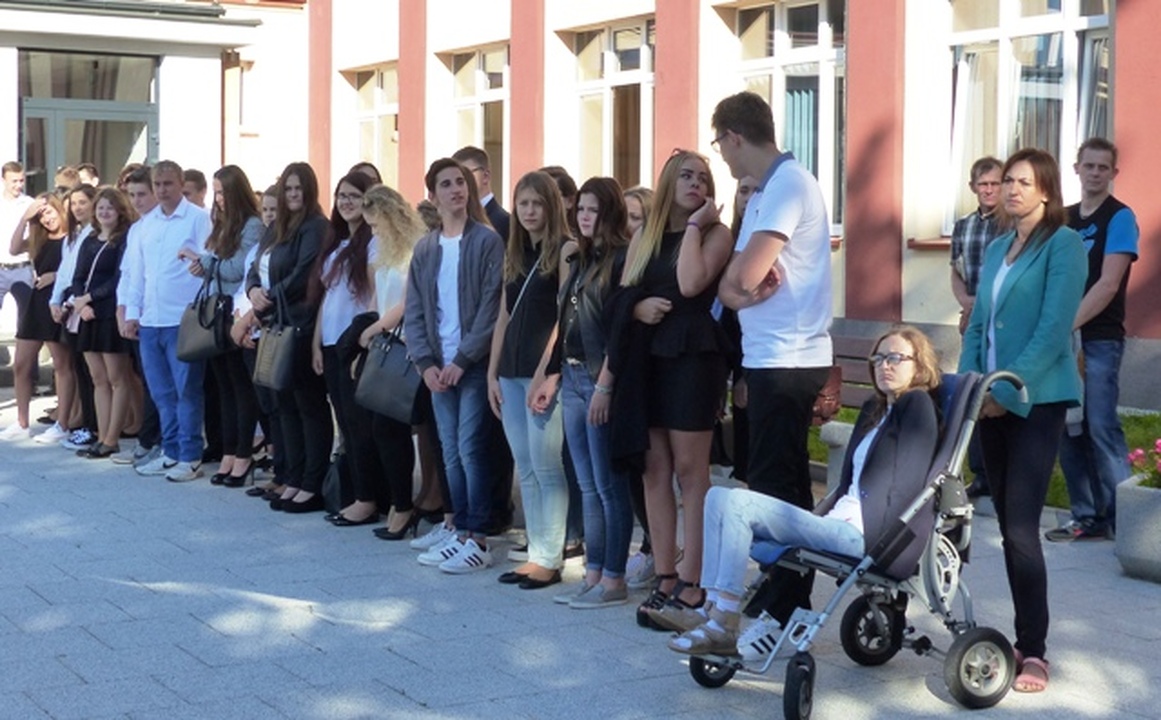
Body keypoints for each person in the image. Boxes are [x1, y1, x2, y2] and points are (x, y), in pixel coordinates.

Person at [665, 326, 940, 656]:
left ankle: (724, 618)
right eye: (879, 358)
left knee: (738, 503)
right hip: (835, 524)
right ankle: (711, 606)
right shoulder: (876, 410)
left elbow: (907, 485)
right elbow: (849, 483)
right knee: (716, 497)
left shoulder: (917, 405)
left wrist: (878, 537)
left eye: (896, 358)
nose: (885, 365)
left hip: (864, 535)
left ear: (919, 365)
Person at [958, 148, 1087, 693]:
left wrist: (1005, 392)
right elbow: (977, 325)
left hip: (1036, 400)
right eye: (1007, 180)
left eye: (1024, 182)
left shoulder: (1064, 244)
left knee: (1020, 527)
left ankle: (1034, 650)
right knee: (1006, 527)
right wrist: (969, 387)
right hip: (988, 398)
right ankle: (1021, 636)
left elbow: (1054, 330)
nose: (1011, 189)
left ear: (1047, 191)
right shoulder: (997, 249)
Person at [713, 91, 834, 624]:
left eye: (719, 143)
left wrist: (738, 289)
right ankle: (784, 585)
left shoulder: (788, 184)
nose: (721, 154)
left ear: (734, 136)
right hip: (768, 357)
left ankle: (789, 601)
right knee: (771, 481)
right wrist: (737, 290)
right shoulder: (765, 190)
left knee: (776, 485)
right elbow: (731, 287)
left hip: (789, 358)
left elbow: (742, 277)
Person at [621, 151, 734, 627]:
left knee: (691, 472)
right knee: (654, 469)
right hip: (649, 357)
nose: (695, 184)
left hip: (694, 356)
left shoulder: (715, 234)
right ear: (669, 181)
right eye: (686, 175)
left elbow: (690, 284)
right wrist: (636, 309)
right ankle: (665, 574)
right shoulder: (645, 235)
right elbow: (622, 293)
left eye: (703, 178)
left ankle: (694, 580)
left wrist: (693, 226)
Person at [405, 158, 504, 573]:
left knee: (470, 447)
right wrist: (426, 363)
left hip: (472, 364)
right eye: (445, 184)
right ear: (432, 196)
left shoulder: (486, 241)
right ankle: (459, 528)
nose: (456, 189)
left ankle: (477, 536)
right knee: (449, 450)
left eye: (460, 181)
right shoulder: (426, 248)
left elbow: (490, 308)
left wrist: (463, 359)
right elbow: (414, 310)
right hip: (438, 366)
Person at [1046, 138, 1139, 543]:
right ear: (1077, 169)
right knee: (1069, 428)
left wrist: (1065, 326)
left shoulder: (1120, 217)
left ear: (1113, 173)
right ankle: (1086, 516)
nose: (1096, 173)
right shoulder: (1063, 219)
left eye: (1104, 167)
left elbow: (1108, 285)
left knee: (1101, 426)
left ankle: (1126, 522)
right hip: (1063, 340)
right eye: (1089, 166)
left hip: (1099, 339)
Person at [550, 176, 633, 609]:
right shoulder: (580, 258)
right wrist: (552, 373)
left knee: (608, 486)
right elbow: (565, 320)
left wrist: (605, 385)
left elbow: (620, 331)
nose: (584, 217)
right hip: (572, 376)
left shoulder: (620, 259)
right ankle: (594, 573)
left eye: (592, 210)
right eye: (580, 209)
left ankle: (614, 578)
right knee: (586, 485)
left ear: (609, 213)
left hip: (600, 380)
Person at [488, 171, 573, 590]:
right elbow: (503, 317)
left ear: (552, 206)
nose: (529, 211)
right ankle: (536, 551)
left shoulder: (566, 250)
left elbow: (564, 316)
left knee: (546, 465)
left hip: (543, 375)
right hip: (510, 371)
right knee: (526, 467)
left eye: (537, 203)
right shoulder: (515, 253)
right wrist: (492, 372)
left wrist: (546, 371)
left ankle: (549, 558)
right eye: (523, 203)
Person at [245, 162, 334, 512]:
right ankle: (292, 477)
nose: (293, 194)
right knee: (284, 406)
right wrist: (253, 290)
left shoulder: (316, 227)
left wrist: (267, 298)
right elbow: (255, 267)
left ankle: (312, 483)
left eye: (299, 188)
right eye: (288, 189)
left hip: (300, 326)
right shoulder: (276, 226)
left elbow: (303, 275)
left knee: (308, 406)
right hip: (275, 323)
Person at [121, 160, 213, 482]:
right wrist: (132, 313)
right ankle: (170, 450)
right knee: (161, 392)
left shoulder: (198, 219)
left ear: (180, 183)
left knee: (187, 390)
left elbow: (211, 261)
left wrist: (198, 262)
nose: (162, 190)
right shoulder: (146, 226)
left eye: (168, 184)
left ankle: (190, 455)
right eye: (157, 185)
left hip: (183, 319)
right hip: (151, 319)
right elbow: (137, 273)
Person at [181, 165, 264, 487]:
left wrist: (205, 262)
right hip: (215, 314)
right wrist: (203, 266)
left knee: (241, 389)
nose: (219, 199)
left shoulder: (252, 225)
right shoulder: (222, 223)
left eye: (223, 192)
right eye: (216, 192)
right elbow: (218, 267)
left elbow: (236, 269)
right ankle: (229, 452)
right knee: (224, 388)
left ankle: (243, 454)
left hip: (236, 313)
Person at [358, 184, 432, 539]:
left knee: (392, 428)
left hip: (406, 345)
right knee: (382, 427)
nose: (374, 231)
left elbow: (407, 301)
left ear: (390, 217)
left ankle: (404, 506)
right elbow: (378, 296)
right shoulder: (384, 250)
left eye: (376, 224)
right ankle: (398, 503)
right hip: (385, 344)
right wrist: (372, 328)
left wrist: (374, 328)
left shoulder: (416, 248)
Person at [312, 171, 380, 524]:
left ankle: (368, 498)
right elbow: (327, 297)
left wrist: (363, 342)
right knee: (346, 425)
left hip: (355, 344)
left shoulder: (373, 243)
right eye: (342, 196)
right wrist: (316, 343)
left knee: (358, 424)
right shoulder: (337, 243)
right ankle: (355, 493)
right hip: (330, 343)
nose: (347, 202)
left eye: (355, 195)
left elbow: (375, 297)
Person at [453, 144, 515, 534]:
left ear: (485, 176)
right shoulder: (456, 225)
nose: (458, 187)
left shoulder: (503, 223)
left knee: (490, 439)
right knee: (465, 442)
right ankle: (470, 513)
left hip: (494, 344)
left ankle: (493, 511)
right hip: (459, 345)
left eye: (465, 177)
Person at [951, 155, 1004, 499]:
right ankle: (979, 472)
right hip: (972, 320)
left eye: (995, 184)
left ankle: (999, 470)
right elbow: (956, 272)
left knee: (995, 392)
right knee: (970, 391)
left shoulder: (1011, 225)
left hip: (1000, 319)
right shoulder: (963, 226)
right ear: (973, 187)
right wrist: (966, 303)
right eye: (982, 184)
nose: (989, 190)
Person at [67, 187, 134, 458]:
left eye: (110, 207)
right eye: (101, 208)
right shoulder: (90, 239)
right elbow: (78, 275)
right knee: (98, 378)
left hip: (109, 312)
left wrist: (90, 298)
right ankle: (101, 435)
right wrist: (80, 303)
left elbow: (119, 278)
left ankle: (112, 438)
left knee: (117, 378)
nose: (105, 212)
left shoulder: (123, 239)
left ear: (120, 211)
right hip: (87, 314)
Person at [1, 193, 73, 441]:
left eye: (49, 212)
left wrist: (56, 275)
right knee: (21, 364)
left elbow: (78, 269)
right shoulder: (39, 239)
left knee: (61, 365)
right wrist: (25, 217)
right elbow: (13, 249)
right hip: (37, 301)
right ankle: (22, 423)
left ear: (59, 210)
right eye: (41, 216)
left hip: (58, 301)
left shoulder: (72, 238)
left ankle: (63, 423)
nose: (47, 219)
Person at [112, 167, 163, 468]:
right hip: (139, 315)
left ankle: (155, 442)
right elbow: (129, 275)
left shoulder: (164, 225)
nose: (136, 201)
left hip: (162, 316)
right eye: (132, 195)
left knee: (160, 385)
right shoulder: (136, 229)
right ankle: (149, 440)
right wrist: (124, 311)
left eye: (142, 194)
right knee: (148, 380)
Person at [0, 162, 35, 335]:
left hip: (22, 267)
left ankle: (25, 353)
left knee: (27, 319)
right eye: (14, 181)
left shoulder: (29, 204)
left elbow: (35, 236)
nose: (18, 185)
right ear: (3, 180)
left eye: (21, 180)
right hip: (0, 266)